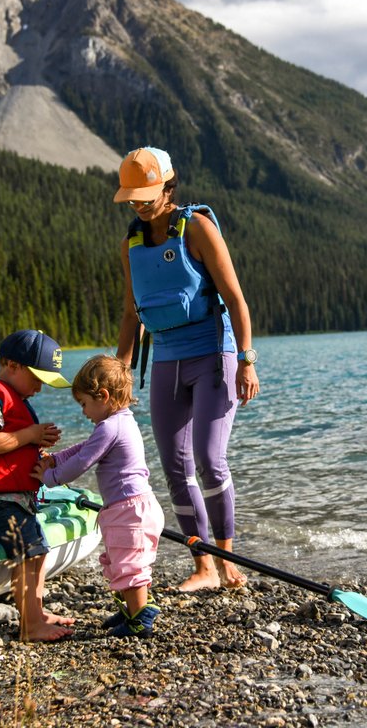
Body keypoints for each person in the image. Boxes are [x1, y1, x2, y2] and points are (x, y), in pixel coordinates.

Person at [112, 146, 259, 591]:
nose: (137, 204)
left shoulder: (197, 227)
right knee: (175, 468)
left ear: (167, 186)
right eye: (131, 197)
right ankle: (203, 565)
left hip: (214, 355)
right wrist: (120, 372)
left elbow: (235, 298)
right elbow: (130, 313)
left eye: (145, 194)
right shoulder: (131, 245)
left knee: (210, 460)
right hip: (168, 361)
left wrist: (247, 360)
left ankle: (227, 558)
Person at [0, 329, 73, 642]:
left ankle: (38, 611)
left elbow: (12, 449)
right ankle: (30, 625)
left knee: (39, 551)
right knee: (26, 551)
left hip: (13, 500)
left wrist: (39, 457)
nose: (39, 387)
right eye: (37, 378)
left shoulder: (14, 399)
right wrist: (31, 435)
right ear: (11, 365)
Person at [33, 355, 164, 638]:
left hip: (130, 510)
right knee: (121, 560)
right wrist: (56, 459)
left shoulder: (110, 427)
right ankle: (130, 610)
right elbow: (83, 448)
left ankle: (141, 619)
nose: (83, 412)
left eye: (84, 404)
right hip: (133, 507)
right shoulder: (119, 422)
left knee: (130, 565)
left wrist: (49, 478)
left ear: (103, 396)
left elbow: (82, 462)